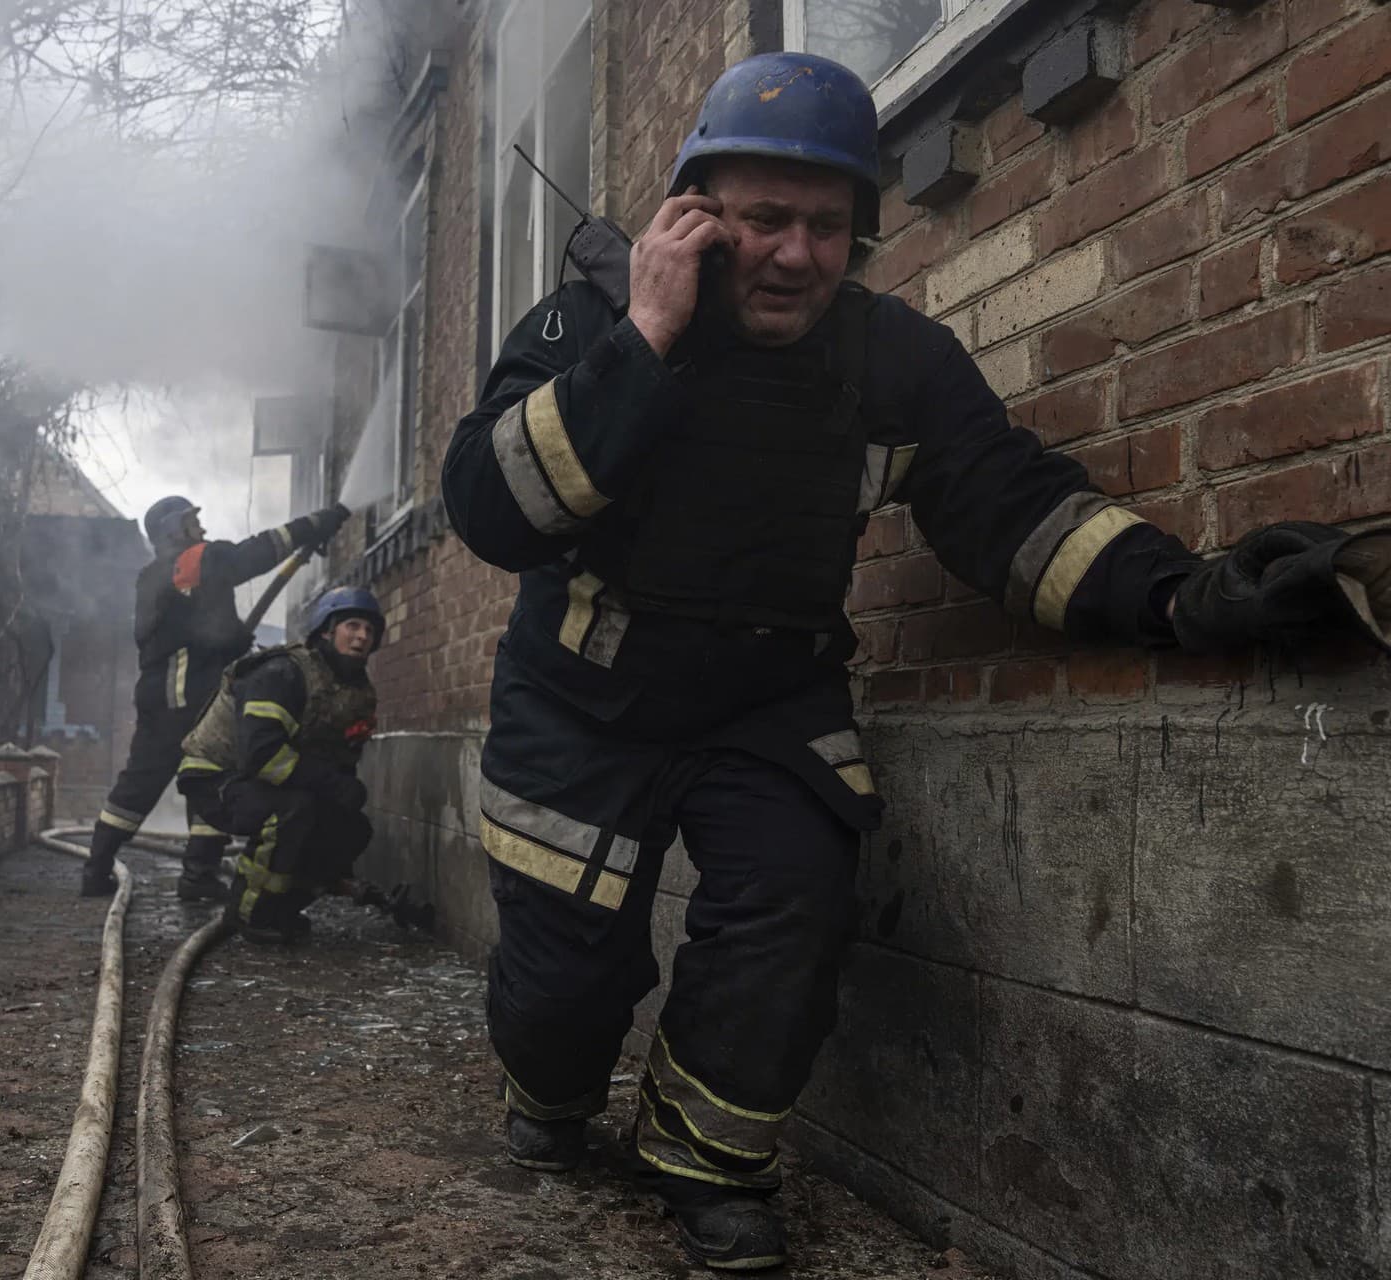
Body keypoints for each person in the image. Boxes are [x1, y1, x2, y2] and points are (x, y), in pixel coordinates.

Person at [440, 50, 1391, 1272]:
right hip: (581, 697)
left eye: (826, 227)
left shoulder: (889, 359)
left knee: (793, 900)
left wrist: (1185, 594)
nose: (793, 253)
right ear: (695, 213)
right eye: (763, 218)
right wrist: (645, 336)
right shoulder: (589, 318)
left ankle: (705, 1160)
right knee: (565, 983)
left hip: (766, 696)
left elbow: (1009, 511)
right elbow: (488, 511)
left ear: (859, 235)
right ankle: (554, 1095)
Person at [80, 495, 351, 899]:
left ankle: (105, 869)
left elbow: (201, 626)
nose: (201, 528)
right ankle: (195, 874)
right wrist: (314, 523)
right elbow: (254, 554)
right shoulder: (192, 560)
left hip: (166, 696)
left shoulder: (159, 574)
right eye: (192, 521)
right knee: (207, 772)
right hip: (185, 697)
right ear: (175, 529)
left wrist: (232, 638)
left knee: (165, 780)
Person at [175, 586, 384, 944]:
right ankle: (248, 913)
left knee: (352, 828)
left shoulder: (353, 689)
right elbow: (262, 757)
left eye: (369, 630)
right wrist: (332, 786)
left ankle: (280, 909)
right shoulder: (282, 674)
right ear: (326, 630)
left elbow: (336, 758)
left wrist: (334, 834)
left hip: (273, 780)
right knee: (292, 810)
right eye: (352, 625)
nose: (362, 636)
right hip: (215, 775)